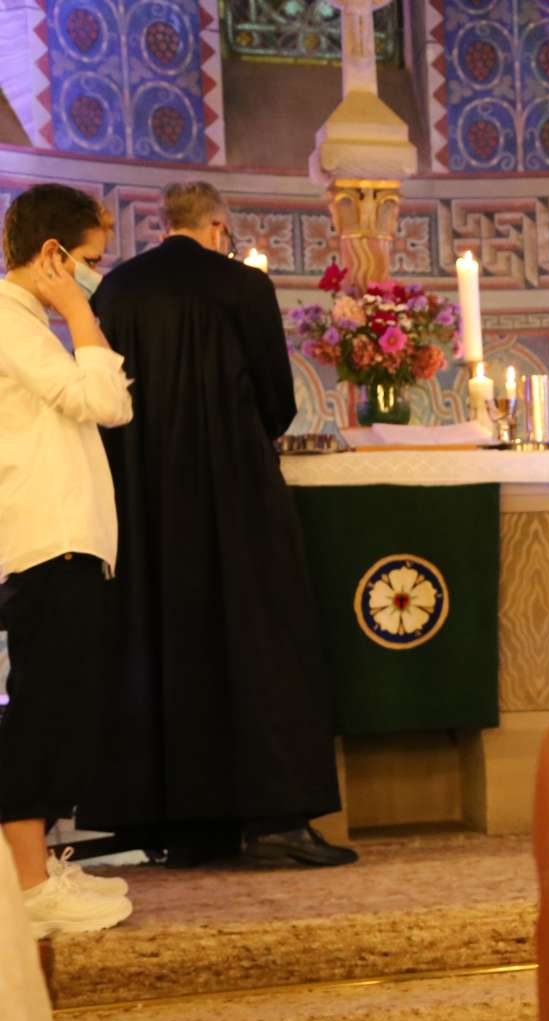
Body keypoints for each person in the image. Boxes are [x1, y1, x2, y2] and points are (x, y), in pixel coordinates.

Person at [78, 181, 355, 868]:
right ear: (217, 227)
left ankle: (178, 825)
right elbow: (276, 399)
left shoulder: (115, 289)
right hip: (233, 489)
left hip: (141, 495)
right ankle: (275, 817)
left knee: (159, 637)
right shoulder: (242, 286)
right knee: (260, 632)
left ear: (165, 224)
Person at [0, 183, 134, 936]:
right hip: (45, 541)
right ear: (53, 255)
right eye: (89, 260)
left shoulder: (25, 324)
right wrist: (83, 316)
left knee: (64, 709)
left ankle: (37, 869)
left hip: (68, 542)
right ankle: (24, 886)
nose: (94, 274)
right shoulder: (7, 318)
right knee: (42, 711)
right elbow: (106, 403)